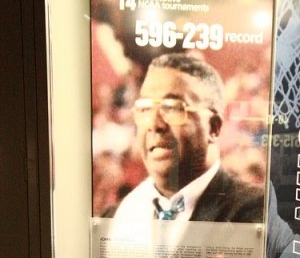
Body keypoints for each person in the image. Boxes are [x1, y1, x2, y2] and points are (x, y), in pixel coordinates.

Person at [112, 52, 264, 224]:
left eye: (173, 108)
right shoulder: (115, 217)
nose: (154, 124)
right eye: (145, 108)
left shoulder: (255, 214)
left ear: (213, 126)